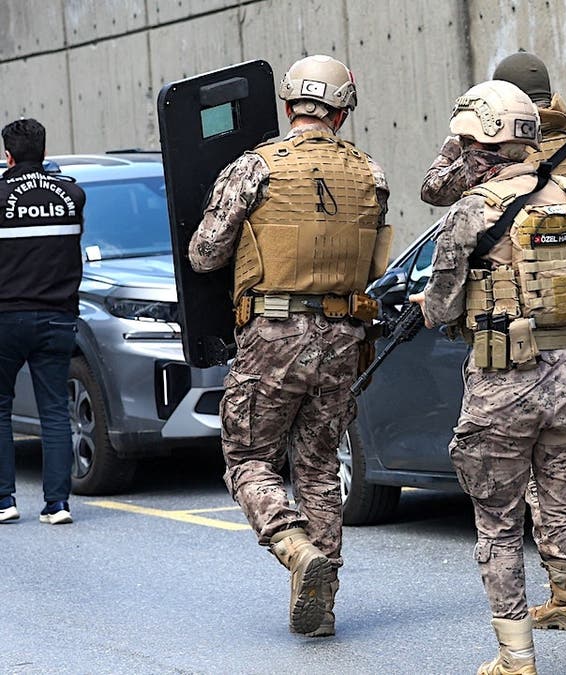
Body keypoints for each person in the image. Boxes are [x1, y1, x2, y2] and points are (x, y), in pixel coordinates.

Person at [410, 79, 566, 675]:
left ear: (480, 145)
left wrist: (431, 303)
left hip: (503, 383)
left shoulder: (474, 208)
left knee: (497, 523)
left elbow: (443, 305)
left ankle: (516, 658)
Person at [187, 54, 391, 638]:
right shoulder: (370, 174)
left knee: (249, 459)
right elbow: (373, 259)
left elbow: (206, 253)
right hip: (344, 338)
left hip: (273, 335)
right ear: (342, 111)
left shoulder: (255, 168)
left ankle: (297, 550)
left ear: (287, 105)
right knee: (321, 466)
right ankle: (323, 607)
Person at [0, 118, 86, 526]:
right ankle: (57, 505)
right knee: (54, 409)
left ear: (8, 155)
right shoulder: (72, 195)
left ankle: (5, 501)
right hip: (58, 316)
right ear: (45, 152)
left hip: (6, 318)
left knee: (0, 408)